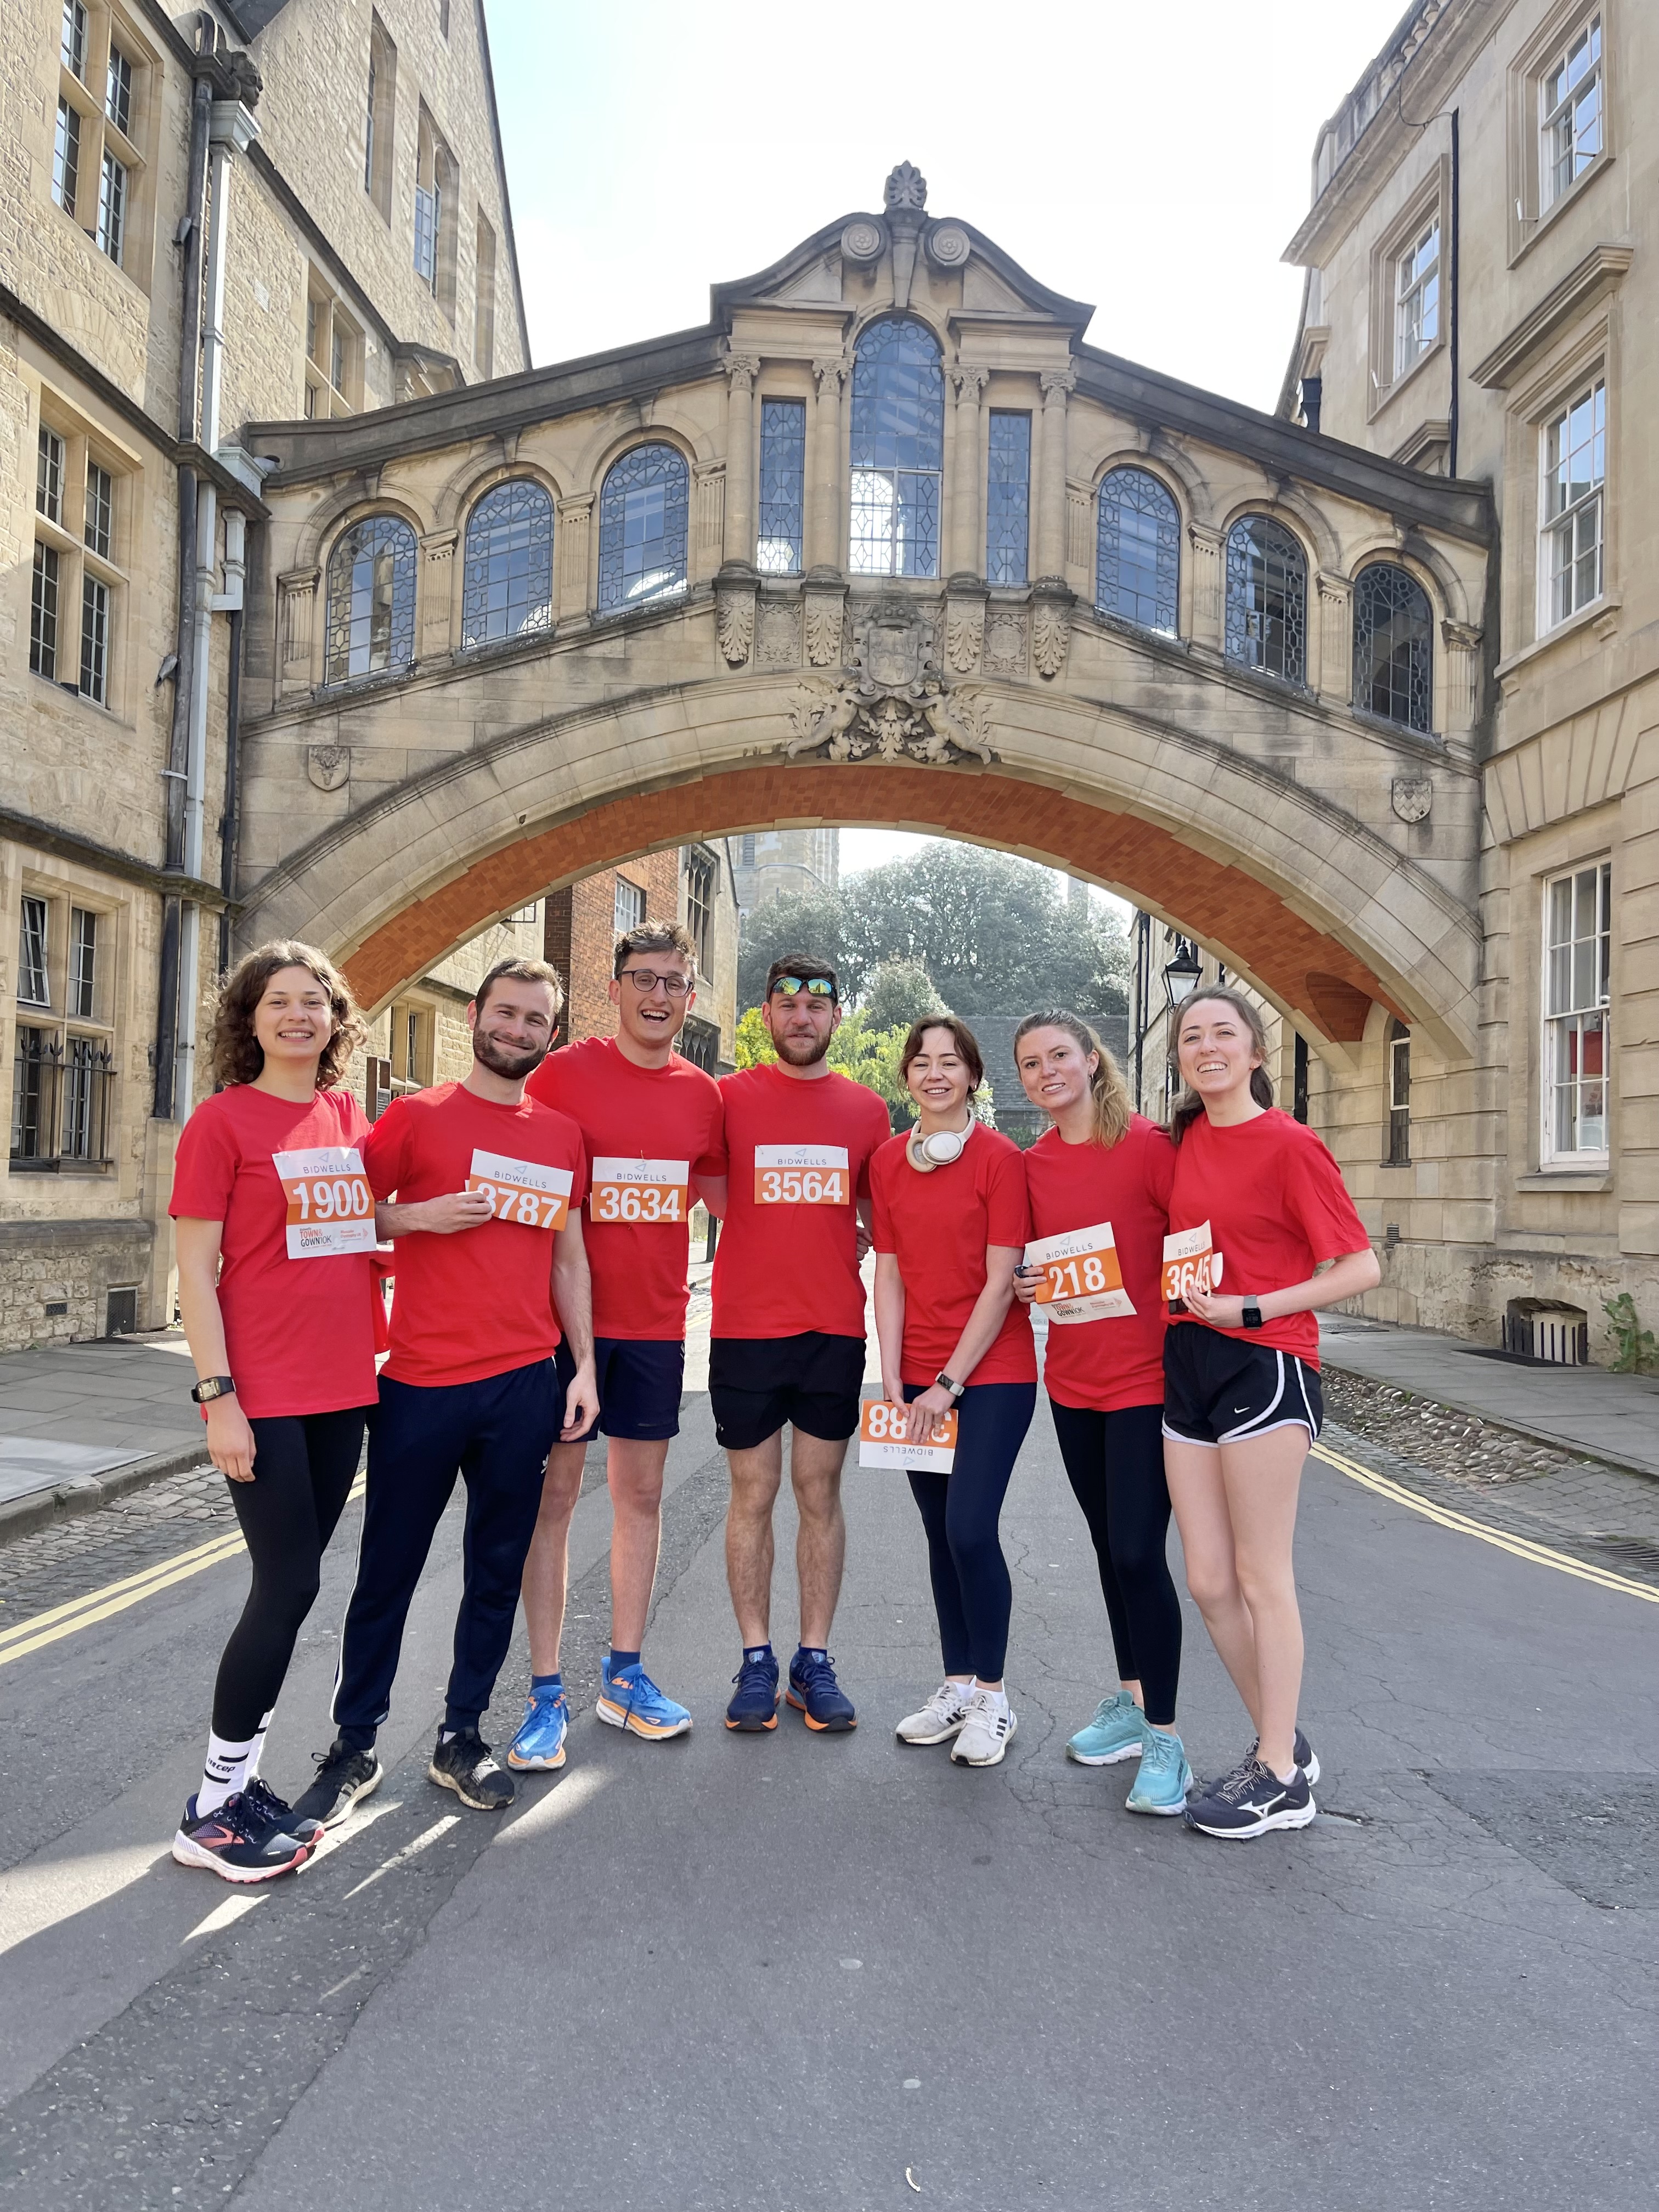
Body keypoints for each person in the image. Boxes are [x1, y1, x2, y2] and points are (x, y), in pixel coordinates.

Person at [295, 959, 599, 1825]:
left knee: (496, 1570)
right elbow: (331, 1214)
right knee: (387, 1570)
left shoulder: (562, 1134)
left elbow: (569, 1257)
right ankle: (354, 1746)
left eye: (535, 1020)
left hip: (523, 1385)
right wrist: (415, 1218)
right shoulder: (416, 1119)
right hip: (420, 1385)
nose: (517, 1030)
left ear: (550, 1033)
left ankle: (461, 1736)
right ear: (477, 1015)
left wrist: (582, 1367)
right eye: (505, 1013)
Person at [168, 942, 377, 1882]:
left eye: (314, 1002)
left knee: (298, 1585)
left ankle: (241, 1781)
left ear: (336, 1019)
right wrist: (219, 1400)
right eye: (277, 1002)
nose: (297, 1016)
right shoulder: (220, 1123)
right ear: (248, 1019)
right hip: (264, 1394)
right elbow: (196, 1277)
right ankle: (211, 1807)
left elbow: (356, 1233)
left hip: (343, 1391)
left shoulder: (343, 1113)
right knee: (286, 1587)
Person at [1161, 986, 1379, 1840]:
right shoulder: (1182, 1143)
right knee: (1209, 1580)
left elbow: (1358, 1267)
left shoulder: (1290, 1145)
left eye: (1224, 1034)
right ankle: (1279, 1744)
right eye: (1192, 1036)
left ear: (1256, 1053)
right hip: (1186, 1360)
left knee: (1261, 1576)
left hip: (1267, 1358)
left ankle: (1281, 1776)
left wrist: (1256, 1307)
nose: (1207, 1046)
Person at [512, 921, 725, 1765]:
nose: (658, 994)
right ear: (615, 988)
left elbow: (733, 1194)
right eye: (643, 978)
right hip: (562, 1329)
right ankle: (544, 1692)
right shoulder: (560, 1076)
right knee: (554, 1505)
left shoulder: (702, 1095)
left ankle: (625, 1676)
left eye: (674, 981)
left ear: (690, 996)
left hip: (654, 1328)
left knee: (640, 1501)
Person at [706, 954, 891, 1734]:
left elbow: (882, 1217)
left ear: (836, 1019)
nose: (803, 1017)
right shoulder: (726, 1100)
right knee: (753, 1494)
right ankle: (757, 1659)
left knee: (819, 1493)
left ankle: (813, 1661)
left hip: (831, 1329)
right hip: (747, 1327)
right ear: (766, 1016)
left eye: (818, 1006)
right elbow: (715, 1189)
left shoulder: (867, 1110)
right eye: (788, 1003)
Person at [1012, 1013, 1189, 1814]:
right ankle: (1130, 1698)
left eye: (1059, 1056)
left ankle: (1168, 1737)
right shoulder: (1034, 1164)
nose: (1047, 1072)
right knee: (1105, 1549)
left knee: (1137, 1553)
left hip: (1146, 1382)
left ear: (1091, 1060)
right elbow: (1037, 1264)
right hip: (1072, 1383)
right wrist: (1028, 1283)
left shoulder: (1149, 1146)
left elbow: (1198, 1243)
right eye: (1030, 1065)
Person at [873, 1019, 1036, 1768]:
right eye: (922, 1062)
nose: (935, 1073)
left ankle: (995, 1701)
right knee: (939, 1536)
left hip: (992, 1372)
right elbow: (892, 1271)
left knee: (971, 1528)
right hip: (919, 1379)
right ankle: (957, 1686)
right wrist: (896, 1370)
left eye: (951, 1062)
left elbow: (1003, 1282)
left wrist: (948, 1382)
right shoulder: (885, 1162)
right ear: (907, 1075)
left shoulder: (1002, 1160)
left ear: (973, 1076)